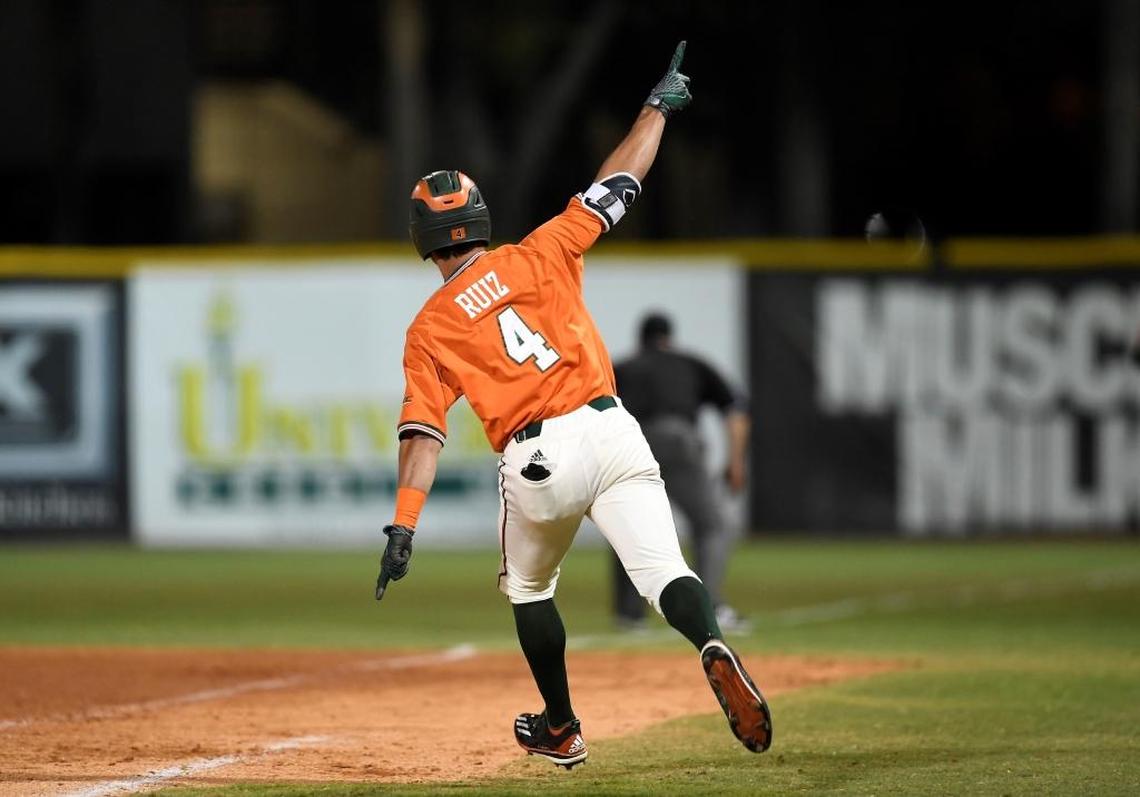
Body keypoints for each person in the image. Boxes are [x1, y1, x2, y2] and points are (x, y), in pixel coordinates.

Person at [375, 42, 771, 769]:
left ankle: (560, 724)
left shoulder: (430, 328)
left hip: (538, 458)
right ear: (481, 218)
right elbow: (620, 178)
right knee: (665, 574)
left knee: (529, 585)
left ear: (424, 239)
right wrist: (657, 107)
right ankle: (710, 639)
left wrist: (403, 526)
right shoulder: (543, 250)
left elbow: (423, 436)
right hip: (614, 430)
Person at [611, 312, 753, 634]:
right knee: (712, 525)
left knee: (626, 527)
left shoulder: (622, 366)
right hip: (677, 441)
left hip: (630, 444)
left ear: (641, 339)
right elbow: (736, 409)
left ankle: (629, 614)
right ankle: (711, 606)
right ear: (669, 337)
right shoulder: (690, 363)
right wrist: (737, 462)